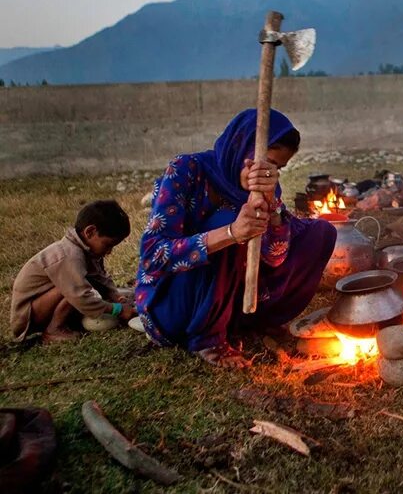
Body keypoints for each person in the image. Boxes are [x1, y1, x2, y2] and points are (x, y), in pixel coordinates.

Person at [134, 109, 336, 368]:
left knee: (319, 233)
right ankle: (207, 338)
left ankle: (252, 321)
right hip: (173, 306)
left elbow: (274, 258)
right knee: (231, 221)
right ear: (240, 147)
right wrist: (231, 233)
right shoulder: (186, 170)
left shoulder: (266, 186)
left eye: (277, 168)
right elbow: (154, 257)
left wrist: (272, 205)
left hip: (232, 302)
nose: (266, 172)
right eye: (264, 162)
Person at [11, 200, 136, 343]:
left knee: (84, 284)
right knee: (74, 289)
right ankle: (53, 329)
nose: (109, 252)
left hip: (46, 304)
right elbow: (80, 296)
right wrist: (117, 309)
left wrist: (114, 295)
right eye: (108, 245)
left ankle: (65, 320)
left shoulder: (87, 250)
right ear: (90, 232)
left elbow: (99, 277)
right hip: (29, 316)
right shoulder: (68, 256)